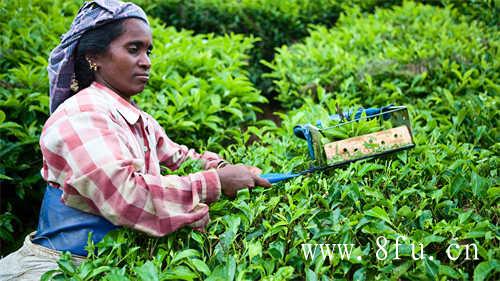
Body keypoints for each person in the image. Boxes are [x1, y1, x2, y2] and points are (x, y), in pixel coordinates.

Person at [0, 0, 270, 279]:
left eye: (148, 51)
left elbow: (179, 158)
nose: (146, 61)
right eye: (133, 49)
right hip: (61, 267)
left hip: (109, 263)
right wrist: (216, 183)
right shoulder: (80, 116)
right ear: (95, 57)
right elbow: (126, 194)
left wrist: (227, 168)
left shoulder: (131, 116)